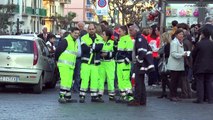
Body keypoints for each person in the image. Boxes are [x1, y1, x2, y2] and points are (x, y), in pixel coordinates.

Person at [128, 25, 154, 106]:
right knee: (141, 83)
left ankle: (137, 100)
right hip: (142, 64)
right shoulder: (140, 38)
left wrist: (138, 62)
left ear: (136, 30)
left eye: (131, 30)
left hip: (140, 64)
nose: (130, 32)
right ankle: (142, 100)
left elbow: (142, 52)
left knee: (138, 82)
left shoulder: (139, 39)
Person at [79, 24, 104, 103]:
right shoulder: (83, 37)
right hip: (86, 62)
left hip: (95, 63)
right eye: (89, 29)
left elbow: (99, 48)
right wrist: (94, 47)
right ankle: (82, 96)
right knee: (84, 79)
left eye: (92, 29)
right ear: (87, 30)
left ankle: (94, 96)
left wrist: (91, 47)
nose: (91, 30)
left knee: (95, 80)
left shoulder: (99, 38)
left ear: (95, 29)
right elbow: (84, 48)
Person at [55, 27, 80, 103]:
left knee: (69, 81)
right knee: (65, 81)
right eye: (75, 33)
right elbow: (58, 51)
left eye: (78, 33)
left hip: (70, 65)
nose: (76, 35)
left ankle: (67, 97)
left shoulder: (74, 42)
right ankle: (61, 96)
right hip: (64, 65)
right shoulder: (66, 40)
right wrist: (56, 60)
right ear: (71, 33)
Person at [192, 25, 213, 104]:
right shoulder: (212, 44)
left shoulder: (199, 44)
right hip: (210, 66)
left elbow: (193, 54)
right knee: (209, 82)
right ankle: (210, 99)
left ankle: (200, 99)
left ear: (203, 34)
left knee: (200, 82)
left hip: (200, 66)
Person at [167, 29, 187, 102]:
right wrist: (182, 55)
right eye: (180, 34)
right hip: (175, 65)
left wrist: (184, 53)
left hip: (179, 65)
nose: (181, 35)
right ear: (176, 35)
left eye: (182, 34)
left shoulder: (180, 42)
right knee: (174, 81)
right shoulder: (174, 42)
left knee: (176, 81)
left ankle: (174, 95)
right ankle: (172, 95)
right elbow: (173, 53)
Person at [115, 25, 134, 103]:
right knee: (120, 80)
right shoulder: (122, 40)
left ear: (124, 32)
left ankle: (130, 97)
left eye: (120, 31)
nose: (118, 33)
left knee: (125, 80)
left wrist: (126, 60)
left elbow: (130, 52)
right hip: (119, 63)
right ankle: (123, 96)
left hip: (124, 63)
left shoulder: (127, 40)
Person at [98, 29, 116, 101]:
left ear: (107, 36)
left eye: (104, 34)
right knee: (100, 79)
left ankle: (111, 95)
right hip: (102, 62)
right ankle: (100, 94)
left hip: (110, 63)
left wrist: (107, 54)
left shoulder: (113, 42)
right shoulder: (100, 42)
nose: (102, 35)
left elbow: (115, 52)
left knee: (110, 79)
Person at [72, 22, 87, 93]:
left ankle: (76, 87)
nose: (80, 28)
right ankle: (69, 87)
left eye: (82, 27)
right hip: (71, 58)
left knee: (78, 74)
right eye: (79, 26)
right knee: (71, 73)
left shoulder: (82, 38)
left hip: (79, 59)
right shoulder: (71, 38)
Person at [158, 32, 171, 98]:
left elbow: (160, 52)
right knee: (164, 77)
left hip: (166, 62)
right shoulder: (169, 44)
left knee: (164, 77)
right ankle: (164, 92)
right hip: (167, 61)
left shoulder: (166, 45)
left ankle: (169, 90)